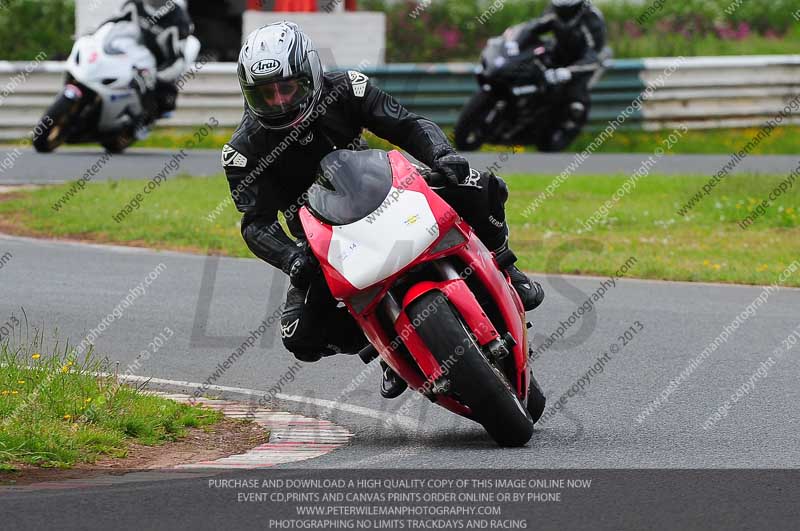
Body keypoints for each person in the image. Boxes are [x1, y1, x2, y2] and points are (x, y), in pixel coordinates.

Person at [222, 22, 544, 399]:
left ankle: (504, 263)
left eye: (286, 88)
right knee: (301, 337)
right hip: (323, 239)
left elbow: (408, 125)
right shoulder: (242, 151)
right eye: (265, 94)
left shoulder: (346, 89)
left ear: (310, 75)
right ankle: (386, 346)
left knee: (477, 184)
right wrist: (291, 257)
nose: (278, 101)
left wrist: (441, 154)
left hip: (386, 190)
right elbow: (256, 224)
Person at [516, 0, 607, 149]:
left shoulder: (592, 18)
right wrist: (516, 42)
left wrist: (569, 71)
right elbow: (534, 27)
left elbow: (594, 54)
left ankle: (569, 126)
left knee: (576, 97)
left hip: (581, 62)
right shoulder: (553, 9)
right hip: (559, 53)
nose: (562, 13)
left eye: (567, 9)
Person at [106, 0, 194, 119]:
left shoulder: (178, 17)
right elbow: (111, 25)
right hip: (134, 59)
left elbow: (177, 61)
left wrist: (154, 78)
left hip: (160, 67)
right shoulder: (133, 5)